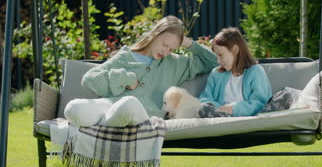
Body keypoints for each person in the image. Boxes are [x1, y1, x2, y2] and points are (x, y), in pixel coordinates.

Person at [64, 15, 217, 127]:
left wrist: (187, 42)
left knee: (128, 104)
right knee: (74, 108)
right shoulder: (126, 56)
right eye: (164, 44)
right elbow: (89, 78)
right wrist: (126, 78)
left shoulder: (175, 63)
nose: (166, 52)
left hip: (143, 116)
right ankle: (107, 123)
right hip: (110, 105)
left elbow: (213, 61)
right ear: (155, 34)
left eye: (171, 48)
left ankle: (103, 123)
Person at [197, 27, 272, 118]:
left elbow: (260, 103)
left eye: (220, 55)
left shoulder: (256, 72)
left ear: (235, 50)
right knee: (201, 106)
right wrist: (220, 109)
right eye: (216, 56)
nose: (218, 61)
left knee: (285, 95)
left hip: (247, 120)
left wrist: (234, 109)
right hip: (220, 119)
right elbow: (204, 99)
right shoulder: (216, 74)